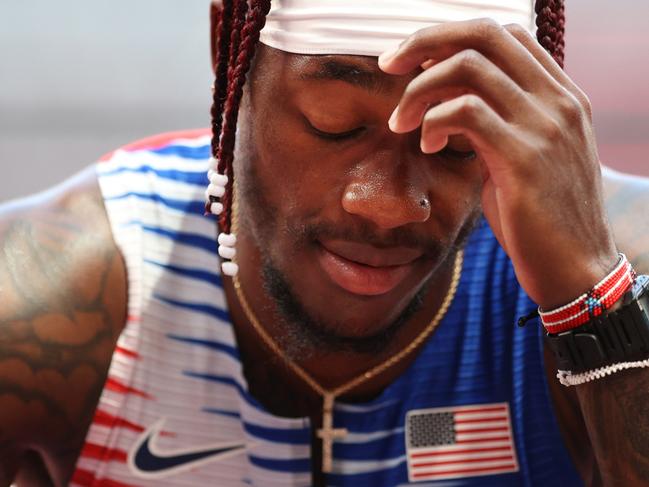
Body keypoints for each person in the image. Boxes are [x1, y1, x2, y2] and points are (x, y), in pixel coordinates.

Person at [2, 0, 649, 485]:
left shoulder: (613, 266)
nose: (389, 205)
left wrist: (594, 304)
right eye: (333, 125)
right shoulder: (54, 301)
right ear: (228, 54)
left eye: (455, 141)